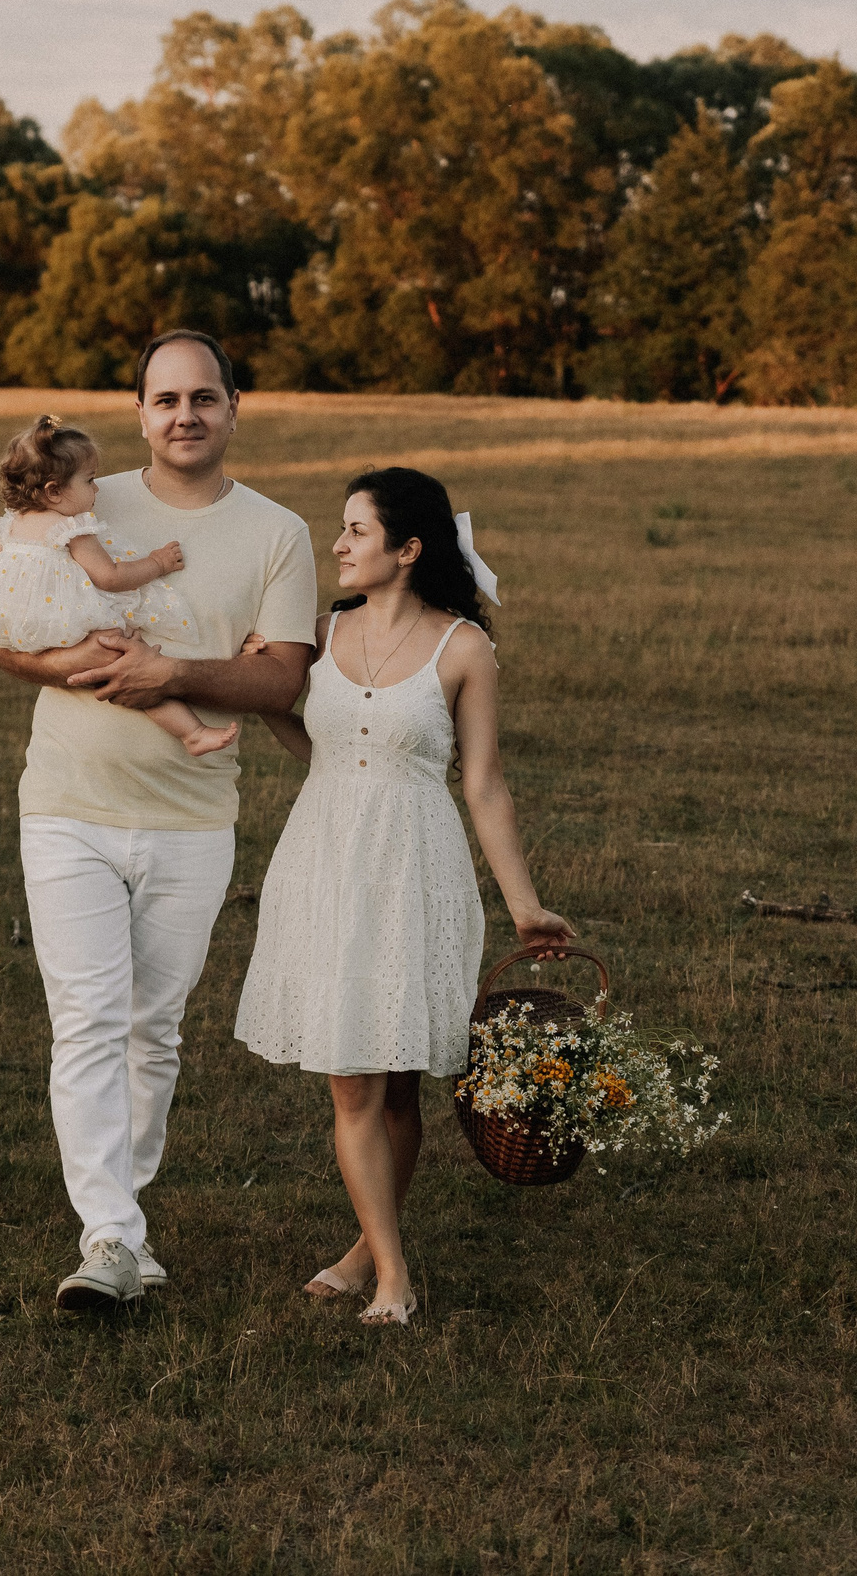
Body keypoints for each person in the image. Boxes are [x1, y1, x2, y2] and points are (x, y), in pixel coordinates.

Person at [0, 331, 316, 1314]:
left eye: (204, 397)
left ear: (234, 407)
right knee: (85, 1023)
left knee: (151, 1031)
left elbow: (282, 676)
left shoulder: (275, 532)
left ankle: (123, 1218)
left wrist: (176, 673)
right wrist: (94, 672)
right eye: (166, 400)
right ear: (140, 415)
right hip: (68, 805)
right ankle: (112, 1239)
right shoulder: (80, 495)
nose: (185, 415)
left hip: (193, 821)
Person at [236, 467, 572, 1327]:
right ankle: (392, 1273)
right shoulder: (321, 633)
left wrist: (526, 905)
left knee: (395, 1089)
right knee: (351, 1082)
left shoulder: (463, 648)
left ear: (408, 548)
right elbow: (319, 745)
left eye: (355, 530)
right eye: (340, 528)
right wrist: (267, 695)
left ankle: (362, 1252)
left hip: (415, 870)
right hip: (325, 861)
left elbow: (485, 785)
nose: (339, 544)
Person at [0, 416, 238, 757]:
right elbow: (108, 575)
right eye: (90, 481)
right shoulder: (71, 526)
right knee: (127, 667)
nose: (97, 490)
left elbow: (16, 573)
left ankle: (191, 730)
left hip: (24, 627)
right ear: (54, 491)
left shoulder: (12, 524)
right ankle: (192, 732)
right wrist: (157, 563)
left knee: (109, 670)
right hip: (69, 621)